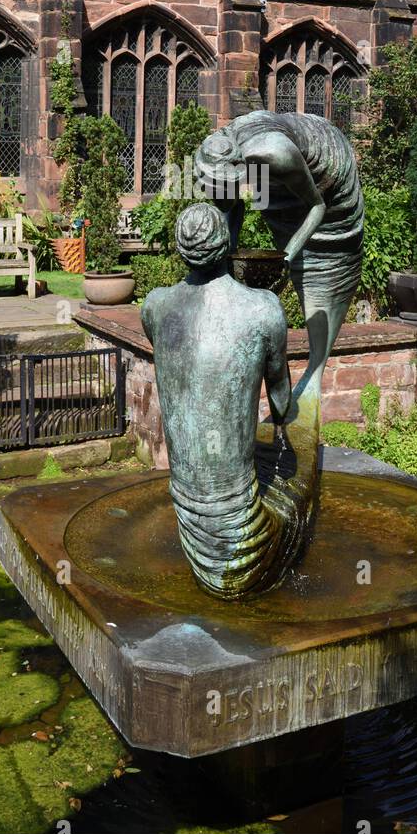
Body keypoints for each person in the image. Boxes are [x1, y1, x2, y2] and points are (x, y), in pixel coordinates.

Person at [141, 201, 304, 599]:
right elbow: (282, 406)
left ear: (182, 250)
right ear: (227, 245)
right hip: (242, 527)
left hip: (187, 506)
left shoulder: (155, 307)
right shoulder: (263, 309)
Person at [193, 110, 364, 397]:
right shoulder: (215, 151)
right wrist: (226, 258)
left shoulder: (275, 153)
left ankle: (314, 376)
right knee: (288, 239)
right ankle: (296, 399)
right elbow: (231, 205)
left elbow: (317, 207)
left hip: (326, 178)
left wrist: (285, 258)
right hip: (274, 182)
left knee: (321, 272)